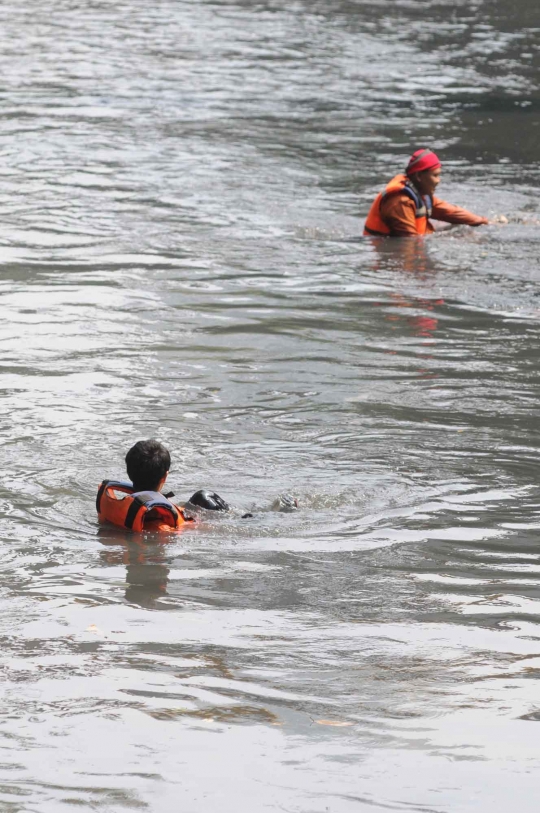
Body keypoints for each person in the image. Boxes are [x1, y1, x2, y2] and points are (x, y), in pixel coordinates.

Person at [96, 439, 229, 534]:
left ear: (129, 472)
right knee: (205, 498)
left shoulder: (119, 505)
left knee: (200, 497)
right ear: (164, 477)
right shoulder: (160, 527)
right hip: (177, 522)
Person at [364, 148, 489, 237]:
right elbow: (410, 244)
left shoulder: (420, 193)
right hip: (387, 258)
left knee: (464, 230)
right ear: (419, 176)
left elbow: (450, 211)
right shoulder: (400, 202)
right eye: (435, 175)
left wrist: (483, 221)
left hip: (417, 238)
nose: (438, 181)